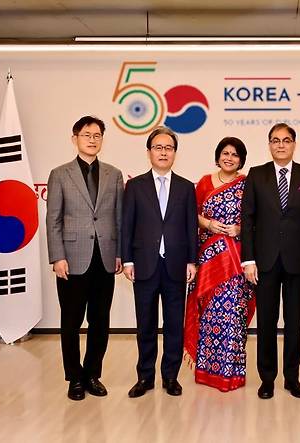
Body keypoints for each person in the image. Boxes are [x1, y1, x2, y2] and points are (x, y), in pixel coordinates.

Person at [241, 123, 300, 399]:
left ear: (294, 144)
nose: (280, 145)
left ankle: (292, 377)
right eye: (275, 140)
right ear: (269, 144)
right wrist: (248, 260)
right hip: (264, 262)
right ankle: (267, 379)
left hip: (298, 263)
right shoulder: (256, 175)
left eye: (286, 140)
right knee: (266, 322)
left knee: (294, 322)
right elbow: (248, 220)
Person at [46, 116, 124, 401]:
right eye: (87, 134)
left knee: (100, 321)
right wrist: (57, 256)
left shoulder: (113, 174)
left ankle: (92, 374)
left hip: (105, 258)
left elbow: (118, 219)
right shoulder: (60, 174)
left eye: (97, 135)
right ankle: (74, 378)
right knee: (71, 321)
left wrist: (119, 253)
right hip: (72, 259)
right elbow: (53, 219)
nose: (92, 139)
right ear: (74, 138)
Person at [122, 126, 197, 398]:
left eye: (168, 148)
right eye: (158, 147)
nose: (163, 152)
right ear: (149, 152)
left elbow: (191, 227)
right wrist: (127, 260)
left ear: (175, 153)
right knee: (146, 324)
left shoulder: (187, 187)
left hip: (176, 266)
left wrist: (192, 261)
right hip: (144, 264)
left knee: (174, 324)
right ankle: (145, 377)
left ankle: (170, 377)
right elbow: (126, 225)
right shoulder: (135, 186)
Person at [183, 137, 256, 392]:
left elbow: (256, 218)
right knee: (209, 313)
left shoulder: (248, 184)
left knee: (233, 316)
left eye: (235, 154)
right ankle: (206, 372)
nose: (229, 158)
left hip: (236, 261)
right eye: (225, 153)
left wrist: (240, 229)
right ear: (218, 156)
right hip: (208, 259)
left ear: (241, 159)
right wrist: (208, 224)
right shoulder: (204, 183)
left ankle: (231, 374)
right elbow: (192, 215)